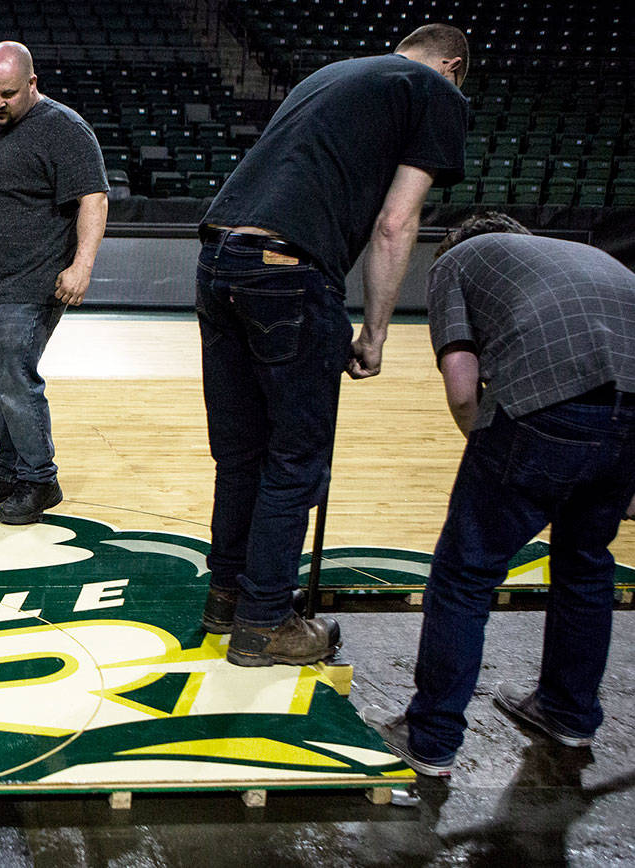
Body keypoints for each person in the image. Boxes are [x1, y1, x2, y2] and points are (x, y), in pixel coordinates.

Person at [195, 24, 471, 667]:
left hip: (216, 258)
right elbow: (396, 223)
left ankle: (227, 598)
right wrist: (375, 332)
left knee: (240, 454)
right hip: (288, 271)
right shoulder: (436, 90)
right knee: (295, 460)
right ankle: (265, 625)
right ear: (451, 65)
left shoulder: (334, 76)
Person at [364, 213, 635, 775]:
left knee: (466, 573)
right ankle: (568, 713)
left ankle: (431, 737)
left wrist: (493, 454)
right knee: (586, 565)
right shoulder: (583, 257)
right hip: (629, 417)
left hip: (547, 403)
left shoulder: (457, 262)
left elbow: (464, 388)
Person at [0, 40, 109, 525]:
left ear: (32, 83)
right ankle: (10, 469)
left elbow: (93, 200)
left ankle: (40, 480)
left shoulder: (64, 128)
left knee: (15, 378)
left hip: (34, 284)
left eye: (8, 94)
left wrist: (82, 266)